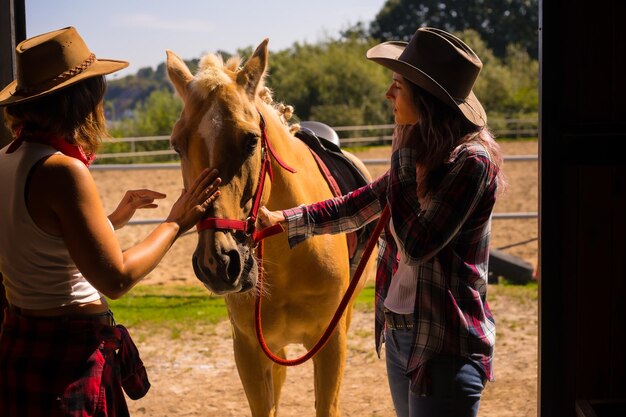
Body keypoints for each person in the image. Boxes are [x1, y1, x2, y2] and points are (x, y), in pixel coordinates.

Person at [257, 27, 505, 417]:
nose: (388, 95)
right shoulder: (429, 152)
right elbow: (360, 204)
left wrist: (403, 155)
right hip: (403, 336)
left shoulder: (472, 162)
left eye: (397, 86)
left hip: (444, 346)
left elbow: (417, 243)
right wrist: (282, 220)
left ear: (424, 100)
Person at [0, 27, 221, 416]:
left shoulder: (7, 158)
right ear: (81, 99)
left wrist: (112, 220)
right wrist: (176, 222)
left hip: (22, 344)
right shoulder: (62, 170)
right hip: (68, 358)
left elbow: (37, 236)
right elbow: (116, 279)